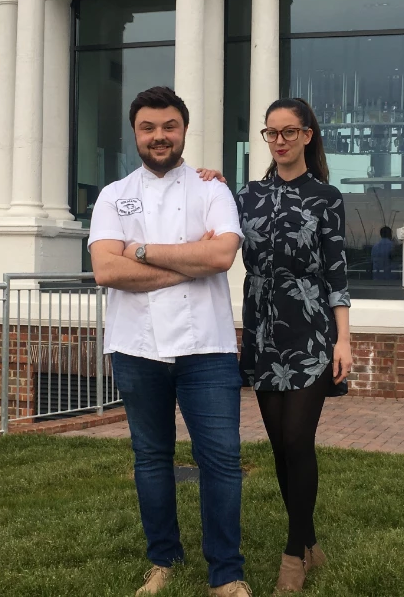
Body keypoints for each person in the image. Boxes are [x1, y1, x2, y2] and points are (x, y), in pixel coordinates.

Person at [88, 86, 251, 597]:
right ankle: (163, 559)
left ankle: (226, 572)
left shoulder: (212, 190)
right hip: (136, 345)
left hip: (207, 346)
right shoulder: (113, 194)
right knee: (151, 458)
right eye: (148, 127)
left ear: (183, 130)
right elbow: (105, 270)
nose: (159, 136)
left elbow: (221, 258)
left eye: (169, 126)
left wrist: (138, 251)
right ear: (135, 133)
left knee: (221, 459)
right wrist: (186, 262)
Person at [238, 97, 352, 593]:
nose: (279, 141)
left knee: (297, 440)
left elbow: (336, 273)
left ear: (308, 135)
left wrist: (343, 338)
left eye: (288, 132)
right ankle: (308, 539)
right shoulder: (246, 196)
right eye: (271, 133)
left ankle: (292, 553)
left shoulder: (326, 197)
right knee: (279, 446)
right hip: (262, 329)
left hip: (310, 330)